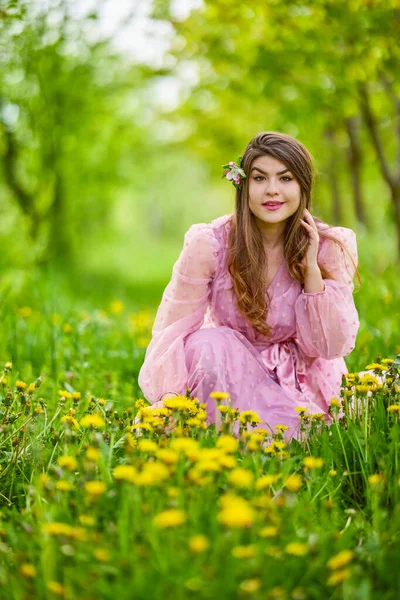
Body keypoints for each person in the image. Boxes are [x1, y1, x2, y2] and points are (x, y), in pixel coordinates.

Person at [138, 131, 361, 441]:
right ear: (243, 185)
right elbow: (174, 329)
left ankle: (289, 432)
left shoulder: (328, 246)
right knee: (206, 342)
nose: (272, 191)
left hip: (301, 378)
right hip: (234, 375)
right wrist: (170, 398)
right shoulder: (211, 243)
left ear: (303, 186)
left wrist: (311, 269)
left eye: (285, 179)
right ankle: (228, 435)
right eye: (260, 178)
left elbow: (330, 347)